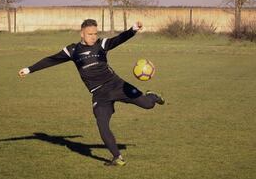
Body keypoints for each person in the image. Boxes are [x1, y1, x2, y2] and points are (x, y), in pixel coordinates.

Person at [18, 19, 165, 166]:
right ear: (82, 34)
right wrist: (29, 69)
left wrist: (133, 29)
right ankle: (117, 157)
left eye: (95, 33)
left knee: (148, 105)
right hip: (100, 94)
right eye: (90, 34)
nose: (93, 36)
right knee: (102, 125)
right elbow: (51, 60)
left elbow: (119, 39)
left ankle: (151, 96)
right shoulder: (72, 50)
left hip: (117, 85)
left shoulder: (101, 44)